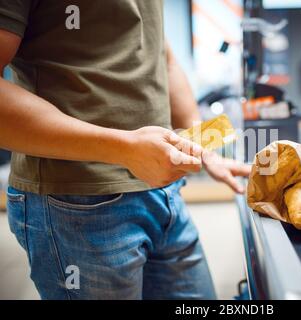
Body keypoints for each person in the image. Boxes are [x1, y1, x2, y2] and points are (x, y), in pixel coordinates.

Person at [0, 0, 250, 300]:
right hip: (76, 202)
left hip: (165, 195)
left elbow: (162, 58)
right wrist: (124, 148)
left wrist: (202, 145)